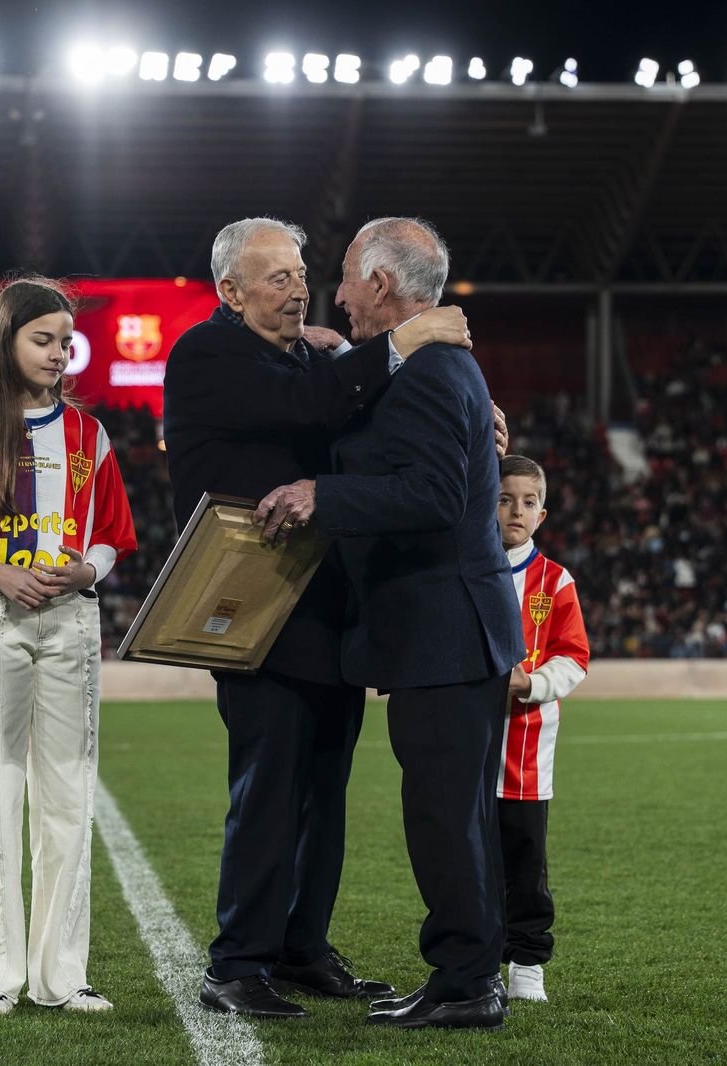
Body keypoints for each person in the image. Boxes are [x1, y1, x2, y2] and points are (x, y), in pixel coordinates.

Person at [163, 216, 472, 1020]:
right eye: (278, 278)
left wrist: (477, 424)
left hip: (330, 606)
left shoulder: (316, 356)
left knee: (323, 788)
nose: (299, 289)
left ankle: (301, 947)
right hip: (253, 603)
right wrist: (402, 344)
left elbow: (363, 425)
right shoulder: (207, 354)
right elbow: (312, 406)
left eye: (301, 274)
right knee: (269, 786)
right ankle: (237, 963)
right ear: (229, 292)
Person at [256, 216, 524, 1030]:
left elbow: (436, 495)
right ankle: (472, 973)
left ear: (379, 283)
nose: (333, 292)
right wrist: (335, 354)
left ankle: (466, 982)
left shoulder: (437, 371)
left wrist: (322, 496)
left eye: (343, 276)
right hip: (448, 633)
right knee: (459, 818)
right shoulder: (427, 367)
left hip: (444, 635)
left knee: (445, 818)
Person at [0, 278, 138, 1017]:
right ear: (6, 340)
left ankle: (60, 975)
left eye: (66, 340)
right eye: (43, 338)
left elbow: (111, 537)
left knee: (68, 797)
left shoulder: (90, 434)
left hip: (72, 621)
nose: (59, 352)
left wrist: (87, 570)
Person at [494, 454, 591, 1003]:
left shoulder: (555, 581)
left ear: (542, 514)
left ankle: (528, 962)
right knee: (472, 863)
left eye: (528, 501)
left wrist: (527, 684)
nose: (516, 510)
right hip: (468, 749)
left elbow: (574, 658)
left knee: (525, 864)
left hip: (527, 754)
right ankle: (478, 958)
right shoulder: (468, 569)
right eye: (505, 498)